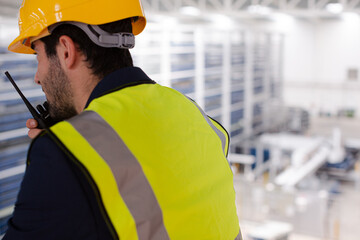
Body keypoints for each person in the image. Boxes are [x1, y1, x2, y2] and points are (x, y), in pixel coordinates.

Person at [4, 0, 242, 239]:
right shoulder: (192, 112)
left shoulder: (61, 156)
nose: (37, 77)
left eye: (38, 57)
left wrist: (60, 157)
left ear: (66, 50)